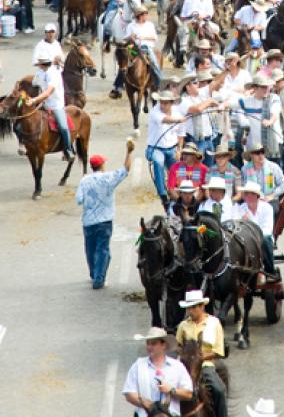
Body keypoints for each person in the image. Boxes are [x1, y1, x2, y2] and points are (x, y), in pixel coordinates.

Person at [76, 142, 134, 289]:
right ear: (102, 166)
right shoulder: (108, 178)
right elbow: (126, 169)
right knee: (103, 249)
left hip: (88, 221)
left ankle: (94, 274)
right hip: (105, 221)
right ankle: (99, 279)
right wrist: (129, 152)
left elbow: (79, 200)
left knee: (90, 249)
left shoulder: (84, 180)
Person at [176, 290, 228, 417]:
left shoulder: (213, 323)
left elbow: (219, 351)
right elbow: (178, 345)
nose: (190, 311)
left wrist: (199, 358)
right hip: (184, 365)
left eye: (193, 307)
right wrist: (184, 356)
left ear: (202, 306)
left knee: (219, 390)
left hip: (205, 365)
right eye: (188, 308)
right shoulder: (183, 326)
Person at [123, 326, 193, 416]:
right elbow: (129, 393)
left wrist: (171, 390)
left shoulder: (177, 366)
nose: (149, 347)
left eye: (153, 344)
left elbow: (188, 394)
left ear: (164, 345)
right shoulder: (138, 365)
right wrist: (148, 405)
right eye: (148, 343)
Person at [29, 56, 75, 160]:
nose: (38, 66)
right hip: (43, 103)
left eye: (39, 64)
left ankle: (68, 150)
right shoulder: (40, 72)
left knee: (63, 126)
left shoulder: (53, 74)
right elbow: (34, 83)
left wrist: (34, 100)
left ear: (43, 64)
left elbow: (48, 92)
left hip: (55, 105)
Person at [146, 91, 184, 211]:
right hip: (154, 147)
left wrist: (179, 149)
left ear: (171, 103)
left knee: (177, 170)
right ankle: (162, 194)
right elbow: (165, 120)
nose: (163, 105)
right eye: (161, 102)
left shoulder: (178, 113)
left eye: (166, 103)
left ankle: (179, 193)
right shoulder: (155, 111)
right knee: (158, 162)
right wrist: (178, 120)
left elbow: (181, 134)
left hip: (172, 147)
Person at [232, 181, 278, 278]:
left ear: (257, 196)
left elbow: (267, 230)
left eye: (252, 194)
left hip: (261, 238)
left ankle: (270, 271)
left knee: (266, 241)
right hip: (245, 239)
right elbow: (235, 227)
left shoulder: (267, 208)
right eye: (246, 194)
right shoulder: (240, 209)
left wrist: (250, 221)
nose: (248, 196)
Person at [125, 4, 161, 89]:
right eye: (146, 14)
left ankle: (160, 82)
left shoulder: (150, 25)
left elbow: (155, 38)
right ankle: (118, 86)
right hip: (134, 48)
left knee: (154, 63)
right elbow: (126, 38)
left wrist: (144, 37)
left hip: (146, 47)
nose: (147, 16)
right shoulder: (131, 25)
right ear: (140, 16)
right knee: (124, 61)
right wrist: (130, 37)